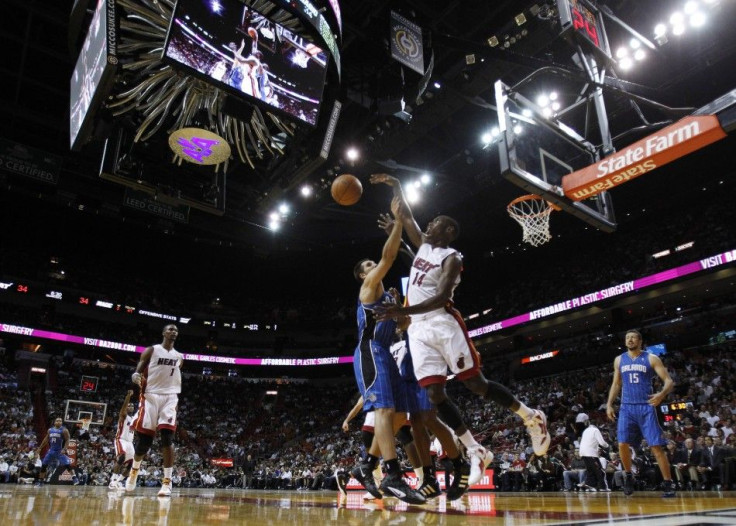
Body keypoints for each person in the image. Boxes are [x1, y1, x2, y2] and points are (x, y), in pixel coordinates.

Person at [371, 173, 551, 492]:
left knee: (476, 384)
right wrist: (396, 184)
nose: (429, 225)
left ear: (449, 231)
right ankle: (475, 449)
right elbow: (407, 215)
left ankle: (530, 415)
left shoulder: (452, 257)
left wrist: (401, 311)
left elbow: (440, 297)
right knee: (434, 395)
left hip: (442, 322)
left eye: (436, 222)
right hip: (419, 331)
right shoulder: (424, 247)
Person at [345, 196, 425, 505]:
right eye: (368, 266)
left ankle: (365, 464)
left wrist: (397, 310)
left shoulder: (386, 298)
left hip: (386, 353)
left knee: (399, 417)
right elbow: (388, 258)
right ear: (363, 276)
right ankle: (391, 474)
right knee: (384, 411)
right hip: (370, 351)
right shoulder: (367, 288)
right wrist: (400, 225)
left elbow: (405, 325)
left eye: (371, 264)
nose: (373, 267)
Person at [606, 329, 676, 497]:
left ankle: (668, 483)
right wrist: (609, 404)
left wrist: (661, 394)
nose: (630, 340)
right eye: (627, 337)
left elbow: (669, 381)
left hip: (646, 407)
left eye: (633, 337)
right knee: (622, 443)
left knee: (655, 446)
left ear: (640, 341)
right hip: (626, 407)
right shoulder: (619, 360)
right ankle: (629, 476)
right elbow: (616, 384)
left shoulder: (651, 358)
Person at [125, 324, 184, 497]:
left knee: (167, 438)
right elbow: (140, 366)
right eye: (170, 329)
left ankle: (167, 482)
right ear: (163, 332)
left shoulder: (179, 357)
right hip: (150, 396)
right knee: (144, 443)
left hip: (170, 397)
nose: (174, 332)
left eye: (176, 330)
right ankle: (134, 471)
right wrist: (136, 374)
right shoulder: (152, 350)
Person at [36, 417, 78, 485]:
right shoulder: (50, 430)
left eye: (60, 421)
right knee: (44, 465)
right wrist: (40, 447)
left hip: (59, 451)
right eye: (57, 421)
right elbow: (46, 439)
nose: (59, 422)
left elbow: (67, 440)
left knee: (67, 464)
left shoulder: (64, 430)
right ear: (54, 422)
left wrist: (64, 449)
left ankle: (74, 478)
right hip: (51, 450)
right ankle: (40, 481)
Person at [109, 390, 137, 489]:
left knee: (132, 463)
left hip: (130, 442)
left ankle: (118, 481)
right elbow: (123, 408)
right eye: (129, 406)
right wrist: (128, 396)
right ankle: (112, 480)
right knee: (122, 456)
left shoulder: (134, 419)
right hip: (121, 439)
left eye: (132, 406)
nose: (130, 407)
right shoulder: (123, 416)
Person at [578, 415, 609, 492]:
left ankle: (591, 485)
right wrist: (607, 445)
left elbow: (589, 442)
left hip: (582, 452)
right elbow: (602, 442)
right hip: (590, 453)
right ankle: (603, 487)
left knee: (590, 470)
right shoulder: (595, 430)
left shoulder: (585, 431)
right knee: (599, 470)